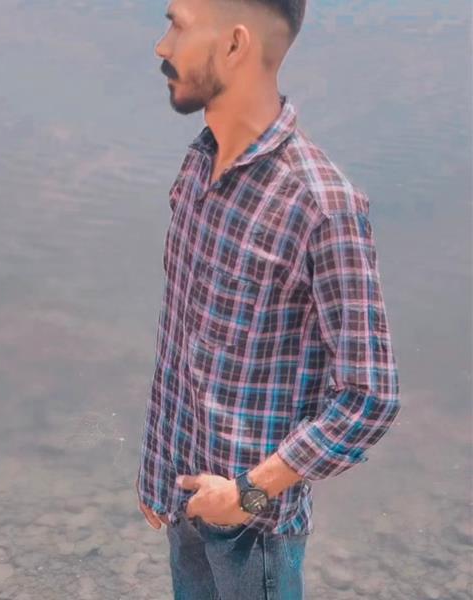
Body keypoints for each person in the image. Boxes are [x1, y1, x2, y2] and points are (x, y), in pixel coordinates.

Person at [135, 1, 401, 598]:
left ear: (234, 45)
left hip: (254, 534)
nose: (162, 46)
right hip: (185, 502)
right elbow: (181, 343)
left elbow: (370, 397)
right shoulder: (198, 166)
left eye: (178, 25)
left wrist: (248, 494)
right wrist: (156, 471)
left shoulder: (322, 205)